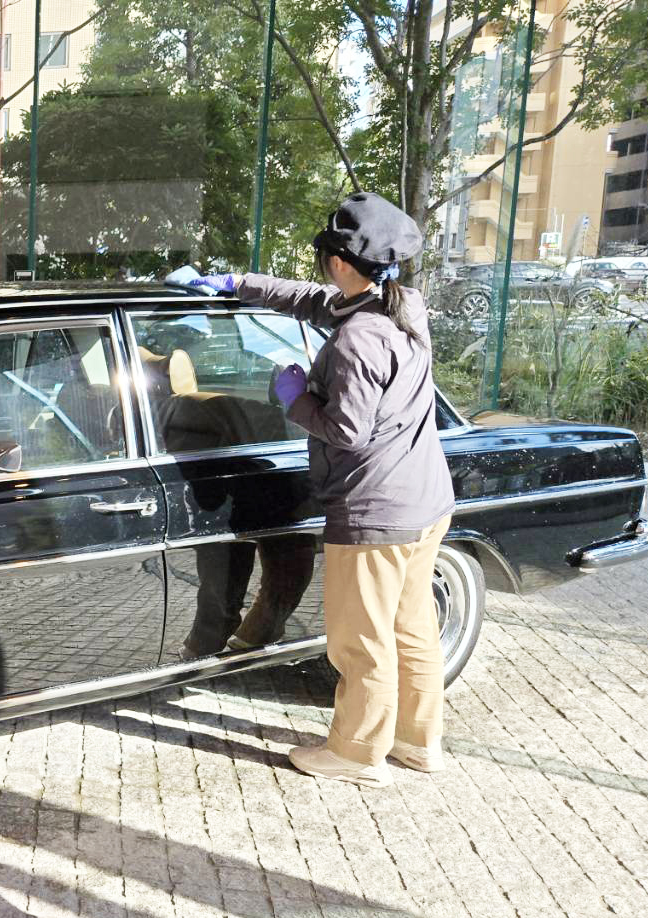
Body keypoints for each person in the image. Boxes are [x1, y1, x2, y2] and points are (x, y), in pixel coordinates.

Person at [190, 192, 456, 788]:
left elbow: (346, 431)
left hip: (376, 513)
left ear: (338, 262)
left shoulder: (359, 339)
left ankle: (358, 755)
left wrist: (295, 398)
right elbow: (314, 300)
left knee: (361, 641)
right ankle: (418, 742)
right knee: (411, 627)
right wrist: (237, 283)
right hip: (424, 501)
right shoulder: (402, 304)